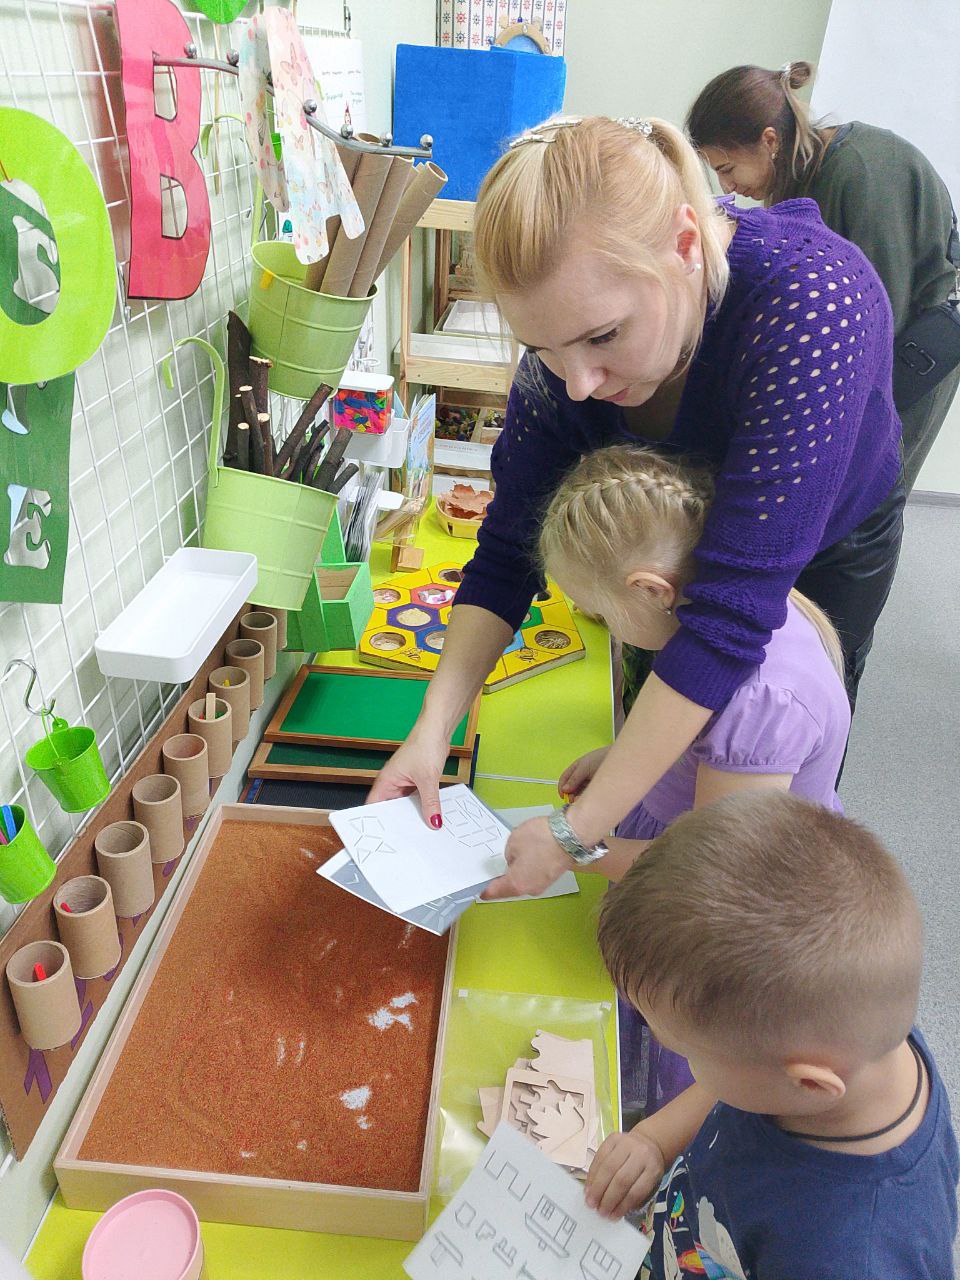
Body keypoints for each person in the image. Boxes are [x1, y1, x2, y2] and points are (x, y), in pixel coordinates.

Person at [368, 115, 904, 900]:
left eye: (604, 337)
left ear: (686, 245)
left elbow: (728, 619)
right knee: (682, 734)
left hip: (819, 539)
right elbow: (507, 551)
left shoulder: (811, 299)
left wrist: (572, 836)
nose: (578, 383)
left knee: (769, 767)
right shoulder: (568, 362)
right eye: (543, 351)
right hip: (672, 554)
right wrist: (430, 731)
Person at [539, 442, 851, 1117]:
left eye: (601, 615)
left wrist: (575, 850)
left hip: (724, 901)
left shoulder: (763, 701)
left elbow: (712, 875)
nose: (603, 627)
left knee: (677, 1046)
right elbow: (697, 734)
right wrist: (624, 756)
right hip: (689, 838)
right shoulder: (724, 611)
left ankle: (660, 1124)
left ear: (652, 591)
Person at [587, 791, 959, 1278]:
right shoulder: (850, 1032)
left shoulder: (853, 1257)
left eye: (688, 1051)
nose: (665, 1046)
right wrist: (655, 1141)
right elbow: (731, 1083)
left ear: (809, 1082)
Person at [687, 61, 960, 492]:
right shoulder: (799, 179)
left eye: (727, 168)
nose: (727, 188)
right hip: (873, 353)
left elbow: (879, 314)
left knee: (868, 496)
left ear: (770, 141)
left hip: (911, 354)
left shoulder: (863, 171)